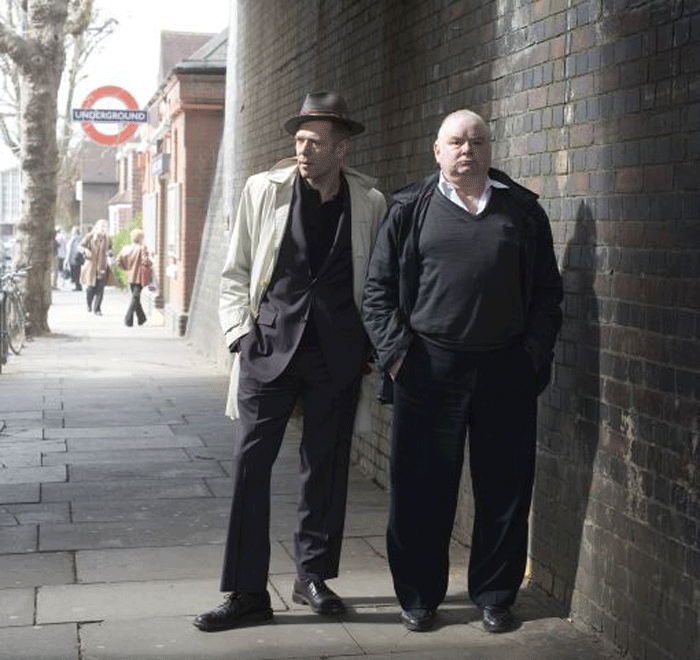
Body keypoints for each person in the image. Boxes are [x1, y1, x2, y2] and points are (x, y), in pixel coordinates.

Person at [362, 110, 563, 634]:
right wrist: (398, 356)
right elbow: (378, 292)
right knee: (421, 489)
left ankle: (495, 595)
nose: (466, 149)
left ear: (490, 149)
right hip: (428, 368)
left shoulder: (520, 211)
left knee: (505, 486)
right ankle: (420, 596)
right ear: (437, 150)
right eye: (456, 141)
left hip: (505, 369)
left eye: (476, 140)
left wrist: (533, 353)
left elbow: (547, 292)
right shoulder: (410, 208)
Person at [194, 92, 386, 632]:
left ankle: (313, 577)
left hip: (338, 356)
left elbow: (375, 280)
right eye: (298, 140)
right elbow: (235, 274)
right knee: (251, 468)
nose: (303, 150)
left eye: (314, 142)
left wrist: (368, 346)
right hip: (268, 350)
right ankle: (248, 593)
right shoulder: (264, 191)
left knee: (325, 470)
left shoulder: (370, 204)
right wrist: (239, 339)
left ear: (341, 148)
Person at [117, 228, 151, 327]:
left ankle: (141, 318)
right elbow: (145, 261)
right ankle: (128, 319)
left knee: (135, 298)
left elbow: (119, 260)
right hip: (139, 277)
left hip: (130, 276)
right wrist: (151, 262)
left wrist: (127, 268)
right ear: (140, 238)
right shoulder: (142, 248)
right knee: (135, 298)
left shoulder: (127, 248)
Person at [79, 219, 112, 315]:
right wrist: (85, 251)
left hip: (102, 266)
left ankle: (97, 309)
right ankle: (89, 303)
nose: (104, 229)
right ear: (97, 227)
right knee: (90, 288)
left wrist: (110, 253)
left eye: (105, 227)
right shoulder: (90, 237)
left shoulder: (107, 238)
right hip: (91, 266)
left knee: (100, 289)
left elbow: (110, 249)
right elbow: (80, 246)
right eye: (102, 226)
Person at [64, 226, 83, 291]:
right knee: (78, 272)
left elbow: (69, 251)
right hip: (79, 258)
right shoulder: (81, 239)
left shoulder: (73, 240)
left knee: (74, 273)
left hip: (73, 259)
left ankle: (77, 285)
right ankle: (79, 285)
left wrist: (66, 261)